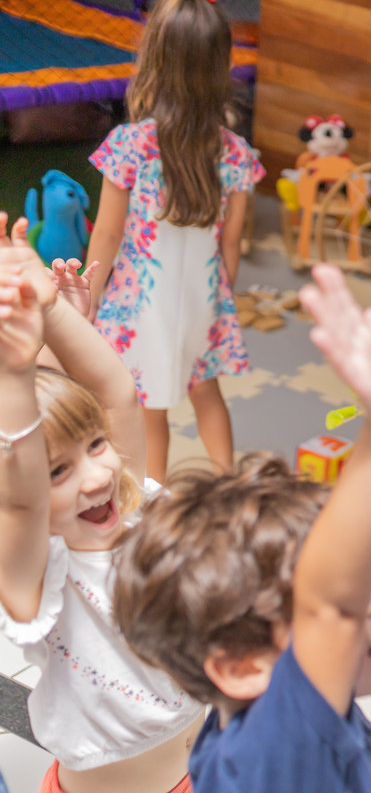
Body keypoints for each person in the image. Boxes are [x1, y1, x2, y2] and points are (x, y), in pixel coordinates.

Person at [110, 263, 371, 793]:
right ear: (243, 665)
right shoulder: (272, 760)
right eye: (339, 595)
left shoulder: (264, 728)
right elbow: (331, 608)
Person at [0, 214, 204, 793]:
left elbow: (115, 392)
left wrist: (50, 308)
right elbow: (17, 495)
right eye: (59, 471)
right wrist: (14, 373)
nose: (97, 475)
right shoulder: (37, 578)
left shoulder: (131, 507)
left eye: (96, 446)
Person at [86, 0, 262, 482]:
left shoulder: (131, 145)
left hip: (142, 306)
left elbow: (107, 233)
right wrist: (218, 298)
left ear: (156, 59)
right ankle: (227, 485)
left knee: (149, 407)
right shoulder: (237, 154)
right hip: (203, 299)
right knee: (207, 392)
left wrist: (90, 300)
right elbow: (230, 245)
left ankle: (152, 501)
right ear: (220, 66)